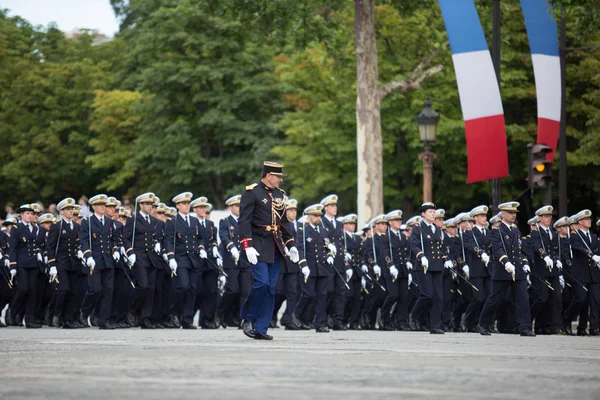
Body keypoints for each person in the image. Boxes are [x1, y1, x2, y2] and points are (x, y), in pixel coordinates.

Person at [239, 161, 299, 340]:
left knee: (271, 287)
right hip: (257, 245)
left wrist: (291, 244)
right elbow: (244, 221)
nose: (280, 180)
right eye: (278, 177)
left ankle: (261, 328)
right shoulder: (252, 193)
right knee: (262, 283)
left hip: (274, 246)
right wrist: (247, 245)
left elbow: (284, 223)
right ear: (268, 176)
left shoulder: (280, 195)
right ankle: (248, 319)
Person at [478, 201, 535, 337]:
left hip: (517, 270)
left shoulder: (515, 230)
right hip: (503, 270)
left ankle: (525, 327)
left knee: (523, 298)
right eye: (510, 213)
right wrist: (506, 262)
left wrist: (524, 263)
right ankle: (482, 324)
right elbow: (497, 249)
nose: (513, 215)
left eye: (514, 213)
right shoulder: (496, 231)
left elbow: (518, 250)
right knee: (495, 299)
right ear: (503, 214)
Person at [165, 192, 207, 329]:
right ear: (177, 206)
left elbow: (201, 237)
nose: (187, 206)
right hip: (180, 258)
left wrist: (201, 248)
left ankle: (187, 319)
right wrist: (171, 257)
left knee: (191, 290)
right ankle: (174, 312)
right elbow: (169, 240)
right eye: (184, 204)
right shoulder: (173, 222)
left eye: (188, 203)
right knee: (183, 286)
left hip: (193, 259)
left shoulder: (195, 221)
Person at [409, 203, 452, 334]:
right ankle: (414, 315)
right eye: (430, 212)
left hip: (437, 266)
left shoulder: (438, 229)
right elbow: (414, 244)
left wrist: (446, 259)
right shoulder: (418, 229)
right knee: (427, 295)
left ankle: (435, 325)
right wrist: (421, 256)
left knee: (438, 297)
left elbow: (441, 248)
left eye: (434, 212)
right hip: (424, 266)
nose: (433, 214)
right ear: (423, 214)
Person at [80, 194, 121, 329]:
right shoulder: (88, 221)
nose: (103, 207)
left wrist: (115, 249)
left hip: (108, 260)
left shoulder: (110, 222)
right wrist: (88, 256)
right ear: (93, 207)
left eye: (104, 205)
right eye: (100, 205)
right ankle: (84, 311)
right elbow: (84, 240)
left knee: (108, 291)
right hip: (94, 259)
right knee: (95, 289)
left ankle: (104, 320)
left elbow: (114, 239)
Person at [124, 193, 163, 329]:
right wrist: (130, 252)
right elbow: (126, 238)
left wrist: (157, 243)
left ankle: (145, 318)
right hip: (139, 256)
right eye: (146, 204)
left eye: (150, 204)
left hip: (151, 258)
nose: (149, 206)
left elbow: (156, 237)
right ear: (140, 205)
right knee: (143, 286)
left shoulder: (154, 221)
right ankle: (133, 310)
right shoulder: (133, 220)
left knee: (151, 289)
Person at [294, 204, 332, 332]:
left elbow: (326, 247)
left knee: (322, 296)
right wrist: (303, 264)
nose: (318, 218)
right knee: (308, 294)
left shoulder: (323, 230)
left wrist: (329, 255)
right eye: (315, 216)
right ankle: (296, 314)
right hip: (309, 267)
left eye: (320, 216)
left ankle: (320, 324)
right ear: (309, 217)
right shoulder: (302, 230)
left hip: (322, 267)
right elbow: (300, 248)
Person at [563, 209, 600, 336]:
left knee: (595, 301)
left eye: (589, 219)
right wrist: (591, 255)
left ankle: (592, 327)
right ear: (580, 221)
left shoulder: (594, 237)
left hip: (593, 273)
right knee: (581, 300)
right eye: (586, 219)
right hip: (580, 273)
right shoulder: (574, 236)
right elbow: (577, 247)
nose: (589, 221)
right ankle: (567, 318)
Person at [47, 198, 81, 328]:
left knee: (73, 292)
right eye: (67, 209)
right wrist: (52, 265)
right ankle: (56, 314)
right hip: (61, 263)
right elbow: (50, 246)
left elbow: (78, 243)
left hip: (73, 263)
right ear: (61, 212)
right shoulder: (57, 226)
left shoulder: (77, 227)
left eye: (71, 209)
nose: (70, 211)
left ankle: (68, 319)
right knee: (63, 289)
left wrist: (80, 252)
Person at [8, 204, 42, 328]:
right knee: (23, 290)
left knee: (33, 292)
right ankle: (13, 311)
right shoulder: (17, 228)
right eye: (27, 213)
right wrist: (12, 265)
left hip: (33, 263)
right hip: (21, 263)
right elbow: (12, 248)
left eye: (31, 213)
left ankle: (30, 320)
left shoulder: (35, 228)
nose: (29, 216)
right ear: (21, 215)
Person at [319, 194, 349, 330]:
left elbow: (341, 242)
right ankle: (323, 318)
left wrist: (345, 253)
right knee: (329, 291)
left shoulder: (339, 224)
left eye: (335, 206)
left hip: (339, 262)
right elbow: (321, 240)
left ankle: (338, 320)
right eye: (331, 206)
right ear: (325, 208)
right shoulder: (321, 222)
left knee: (341, 293)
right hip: (327, 262)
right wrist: (327, 252)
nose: (334, 208)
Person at [272, 198, 301, 330]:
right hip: (282, 262)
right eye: (290, 210)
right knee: (278, 292)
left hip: (293, 263)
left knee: (292, 293)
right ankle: (271, 316)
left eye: (294, 210)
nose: (293, 213)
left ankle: (289, 319)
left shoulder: (300, 226)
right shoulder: (280, 224)